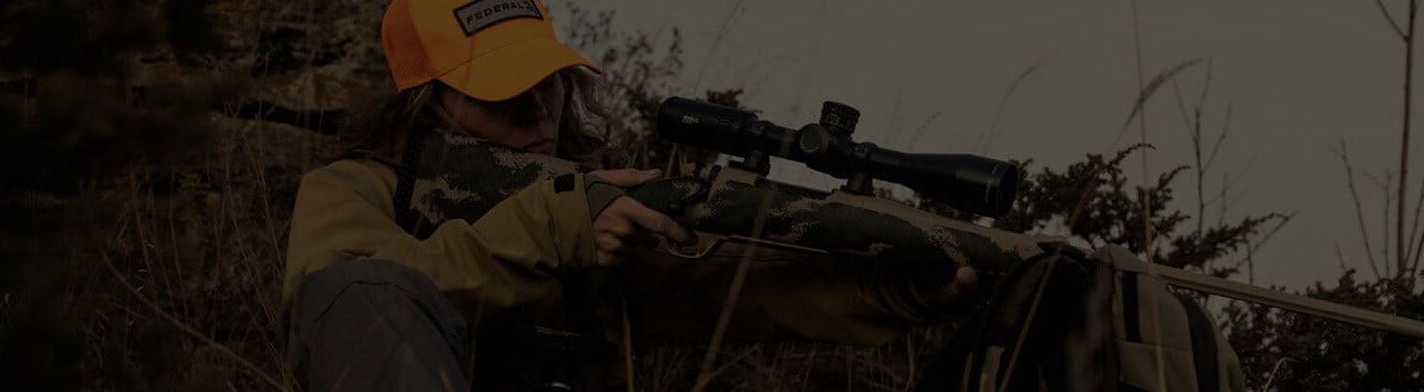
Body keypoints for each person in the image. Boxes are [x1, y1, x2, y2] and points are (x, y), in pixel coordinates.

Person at [280, 0, 975, 390]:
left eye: (546, 83)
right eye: (499, 96)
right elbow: (355, 301)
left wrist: (897, 288)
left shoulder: (596, 199)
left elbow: (732, 286)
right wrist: (549, 227)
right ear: (422, 104)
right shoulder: (354, 189)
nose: (536, 112)